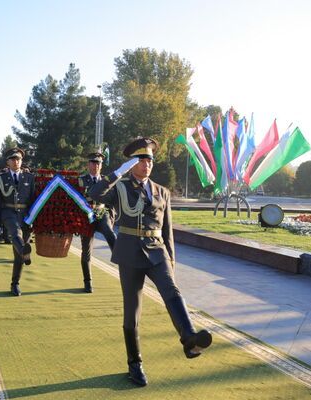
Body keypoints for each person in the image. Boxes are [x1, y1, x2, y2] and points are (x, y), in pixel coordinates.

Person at [89, 137, 212, 387]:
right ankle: (135, 364)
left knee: (172, 292)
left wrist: (172, 260)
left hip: (157, 252)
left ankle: (189, 338)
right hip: (130, 254)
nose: (147, 164)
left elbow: (168, 231)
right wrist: (116, 173)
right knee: (132, 313)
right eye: (142, 160)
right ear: (132, 163)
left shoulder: (161, 191)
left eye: (150, 160)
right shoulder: (120, 187)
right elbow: (93, 193)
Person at [0, 148, 36, 296]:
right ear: (8, 162)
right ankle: (25, 251)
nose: (16, 162)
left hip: (25, 215)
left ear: (21, 161)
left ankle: (15, 284)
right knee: (16, 234)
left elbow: (33, 200)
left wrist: (34, 219)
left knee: (18, 256)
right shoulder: (1, 178)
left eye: (18, 159)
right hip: (8, 212)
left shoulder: (29, 178)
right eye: (13, 159)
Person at [77, 152, 117, 293]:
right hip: (86, 216)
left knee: (109, 232)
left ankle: (118, 256)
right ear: (88, 164)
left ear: (101, 166)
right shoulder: (81, 180)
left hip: (101, 213)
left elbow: (112, 201)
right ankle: (87, 282)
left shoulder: (106, 181)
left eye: (98, 163)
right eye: (93, 163)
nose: (96, 166)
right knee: (86, 251)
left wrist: (111, 216)